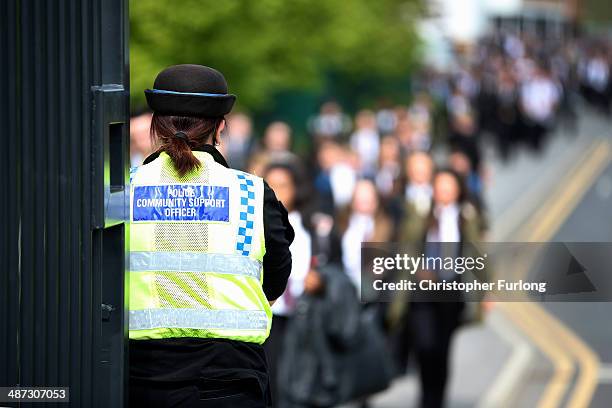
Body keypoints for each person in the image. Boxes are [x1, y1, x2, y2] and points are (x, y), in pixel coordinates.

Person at [128, 64, 294, 408]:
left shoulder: (125, 189)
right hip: (232, 376)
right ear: (220, 128)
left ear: (156, 125)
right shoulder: (250, 193)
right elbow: (277, 273)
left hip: (144, 376)